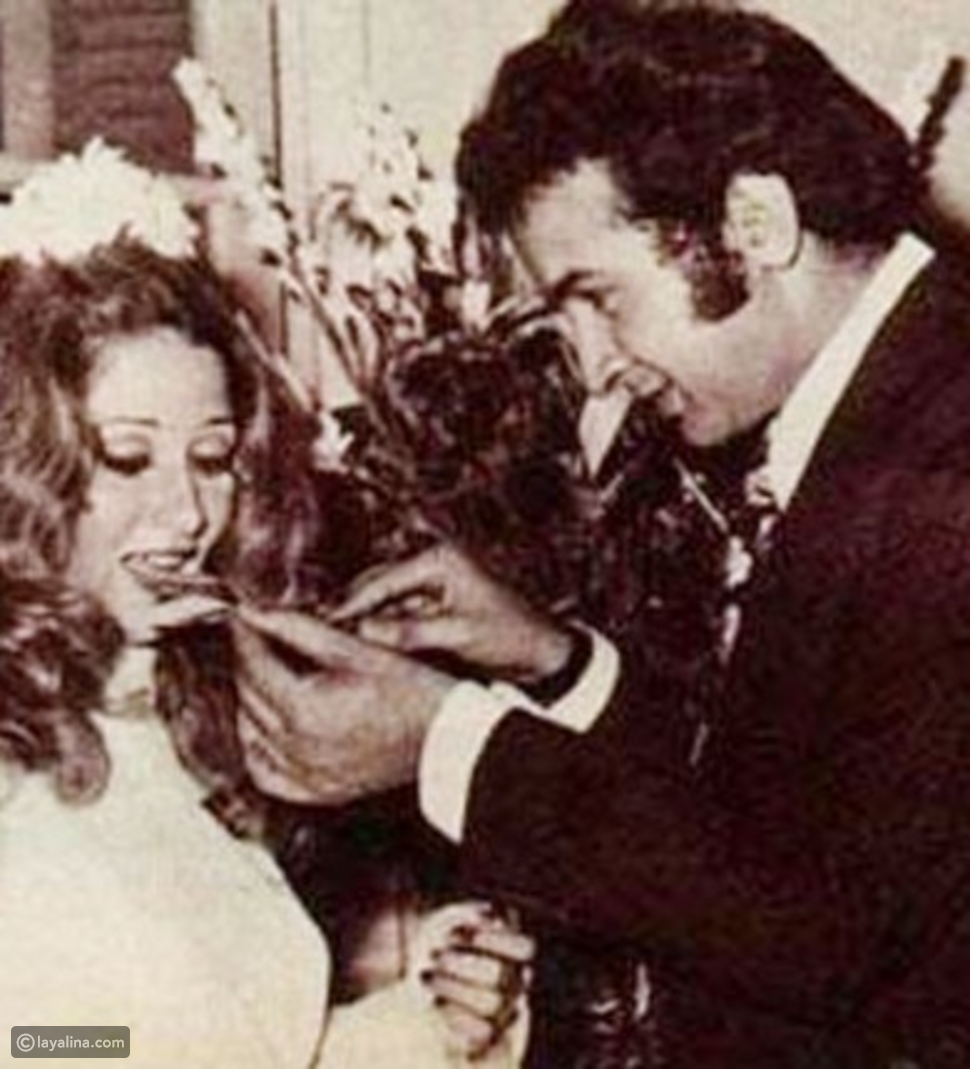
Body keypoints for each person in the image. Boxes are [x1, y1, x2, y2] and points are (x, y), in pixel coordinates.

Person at [232, 2, 970, 1066]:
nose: (594, 367)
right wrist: (560, 664)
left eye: (600, 298)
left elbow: (846, 929)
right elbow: (790, 817)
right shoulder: (885, 404)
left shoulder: (949, 442)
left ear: (754, 223)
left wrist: (447, 738)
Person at [0, 144, 531, 1068]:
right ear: (20, 471)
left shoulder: (164, 720)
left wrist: (423, 1026)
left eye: (211, 458)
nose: (187, 512)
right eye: (128, 457)